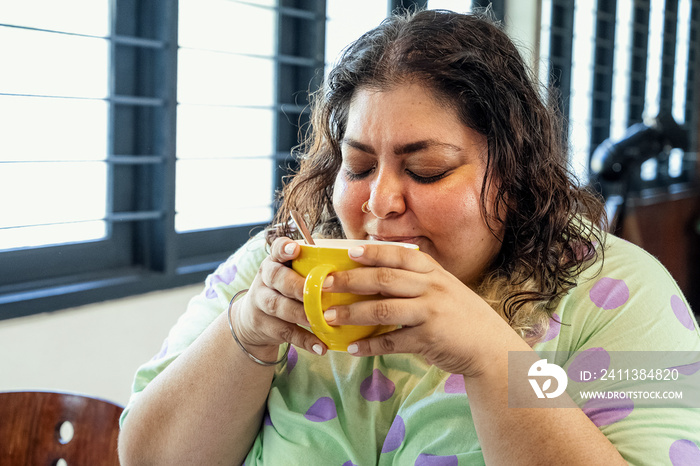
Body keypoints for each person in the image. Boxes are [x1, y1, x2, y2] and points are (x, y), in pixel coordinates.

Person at [118, 9, 700, 465]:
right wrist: (246, 330)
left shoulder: (619, 295)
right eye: (358, 166)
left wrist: (495, 360)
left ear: (515, 174)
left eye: (427, 171)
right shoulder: (276, 267)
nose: (379, 203)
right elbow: (146, 458)